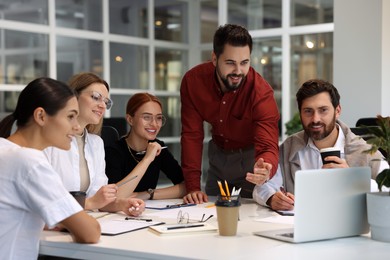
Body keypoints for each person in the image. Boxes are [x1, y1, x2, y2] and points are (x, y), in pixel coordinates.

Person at [0, 77, 101, 259]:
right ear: (41, 116)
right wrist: (70, 221)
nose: (77, 126)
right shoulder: (29, 161)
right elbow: (90, 232)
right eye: (70, 116)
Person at [180, 24, 280, 203]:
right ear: (214, 58)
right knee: (211, 213)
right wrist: (193, 186)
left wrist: (266, 168)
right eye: (230, 63)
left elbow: (268, 145)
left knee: (250, 217)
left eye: (244, 63)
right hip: (218, 158)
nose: (238, 71)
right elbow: (192, 136)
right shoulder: (193, 82)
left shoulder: (261, 93)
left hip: (251, 162)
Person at [253, 79, 389, 210]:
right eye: (308, 111)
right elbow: (262, 187)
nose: (315, 119)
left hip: (350, 230)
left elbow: (387, 187)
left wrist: (353, 180)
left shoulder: (365, 151)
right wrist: (272, 198)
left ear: (337, 111)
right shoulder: (289, 147)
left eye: (323, 110)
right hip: (299, 229)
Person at [44, 72, 144, 215]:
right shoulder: (49, 140)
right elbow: (45, 200)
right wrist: (91, 203)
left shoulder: (96, 143)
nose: (102, 105)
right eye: (96, 97)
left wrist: (122, 204)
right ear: (74, 96)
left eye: (106, 102)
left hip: (83, 220)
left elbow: (99, 199)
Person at [105, 93, 186, 200]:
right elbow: (114, 196)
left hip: (148, 211)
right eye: (147, 117)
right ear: (130, 119)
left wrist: (148, 194)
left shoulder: (158, 146)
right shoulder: (113, 151)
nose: (154, 124)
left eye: (159, 118)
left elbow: (186, 186)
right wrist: (147, 159)